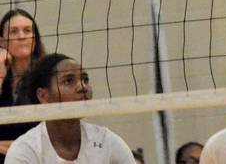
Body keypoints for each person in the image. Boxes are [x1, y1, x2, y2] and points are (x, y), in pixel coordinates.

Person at [4, 53, 135, 164]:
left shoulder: (106, 141)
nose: (82, 87)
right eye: (68, 81)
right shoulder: (25, 150)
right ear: (43, 95)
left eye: (85, 79)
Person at [0, 10, 47, 162]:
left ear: (35, 39)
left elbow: (48, 139)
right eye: (14, 31)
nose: (21, 36)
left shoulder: (47, 76)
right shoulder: (3, 78)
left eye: (27, 30)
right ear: (2, 41)